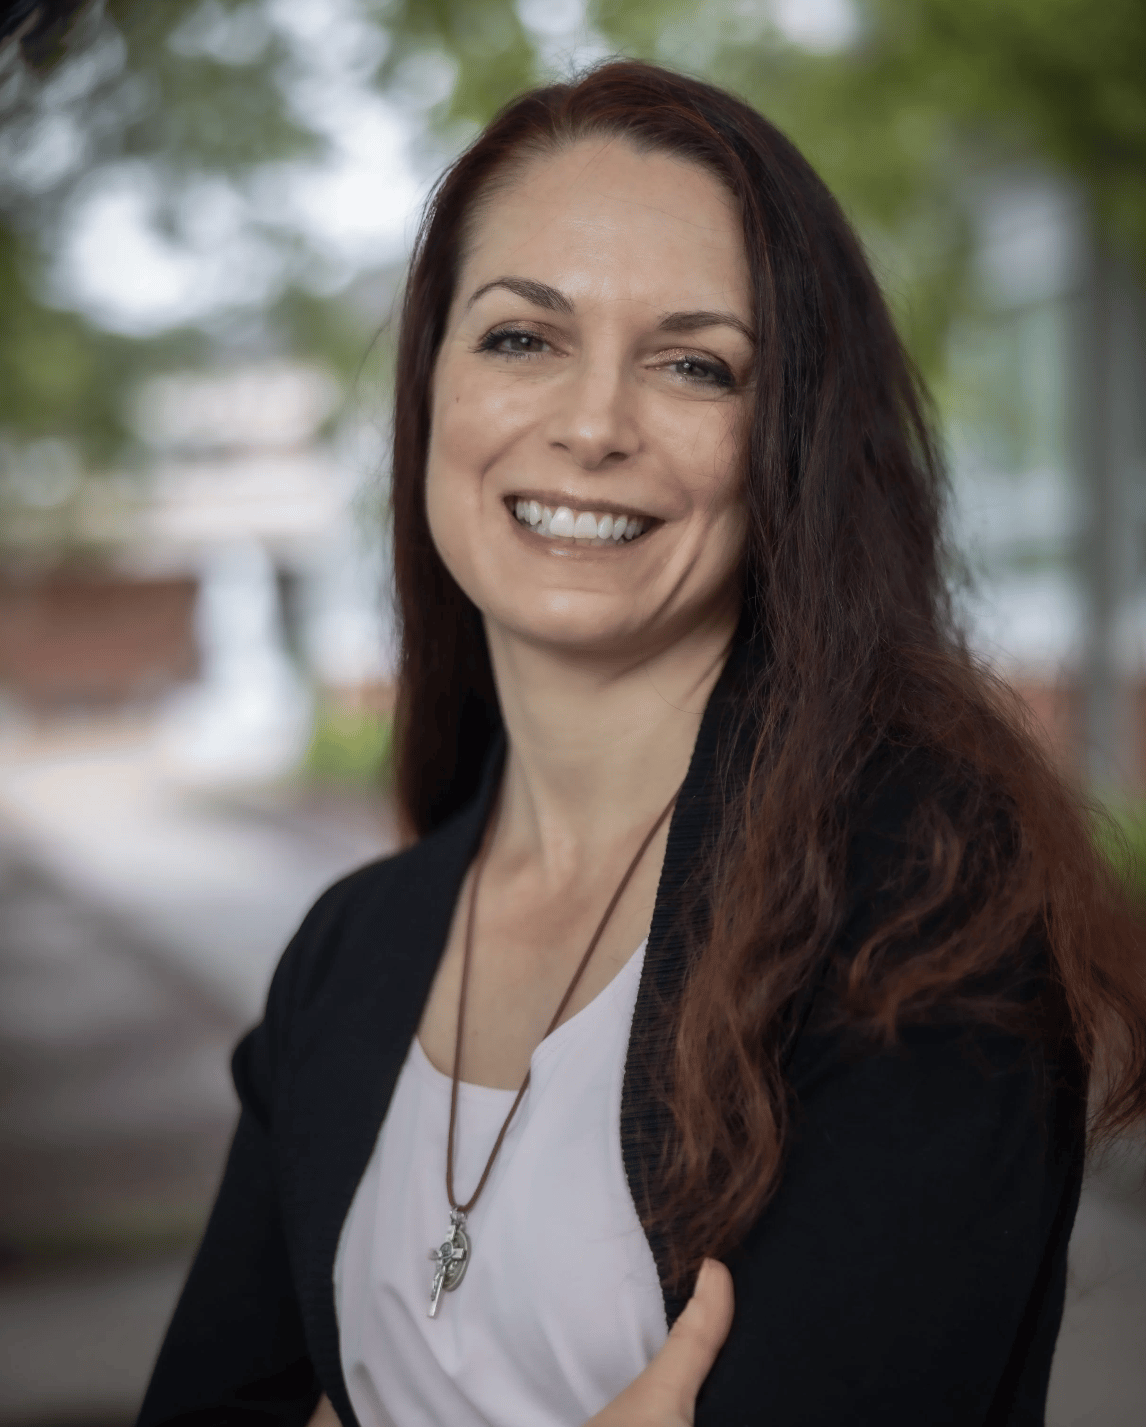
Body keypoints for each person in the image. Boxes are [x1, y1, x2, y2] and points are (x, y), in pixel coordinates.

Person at [137, 60, 1146, 1427]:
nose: (594, 424)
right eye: (520, 337)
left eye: (692, 363)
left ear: (784, 441)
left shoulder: (921, 916)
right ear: (429, 389)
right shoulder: (347, 951)